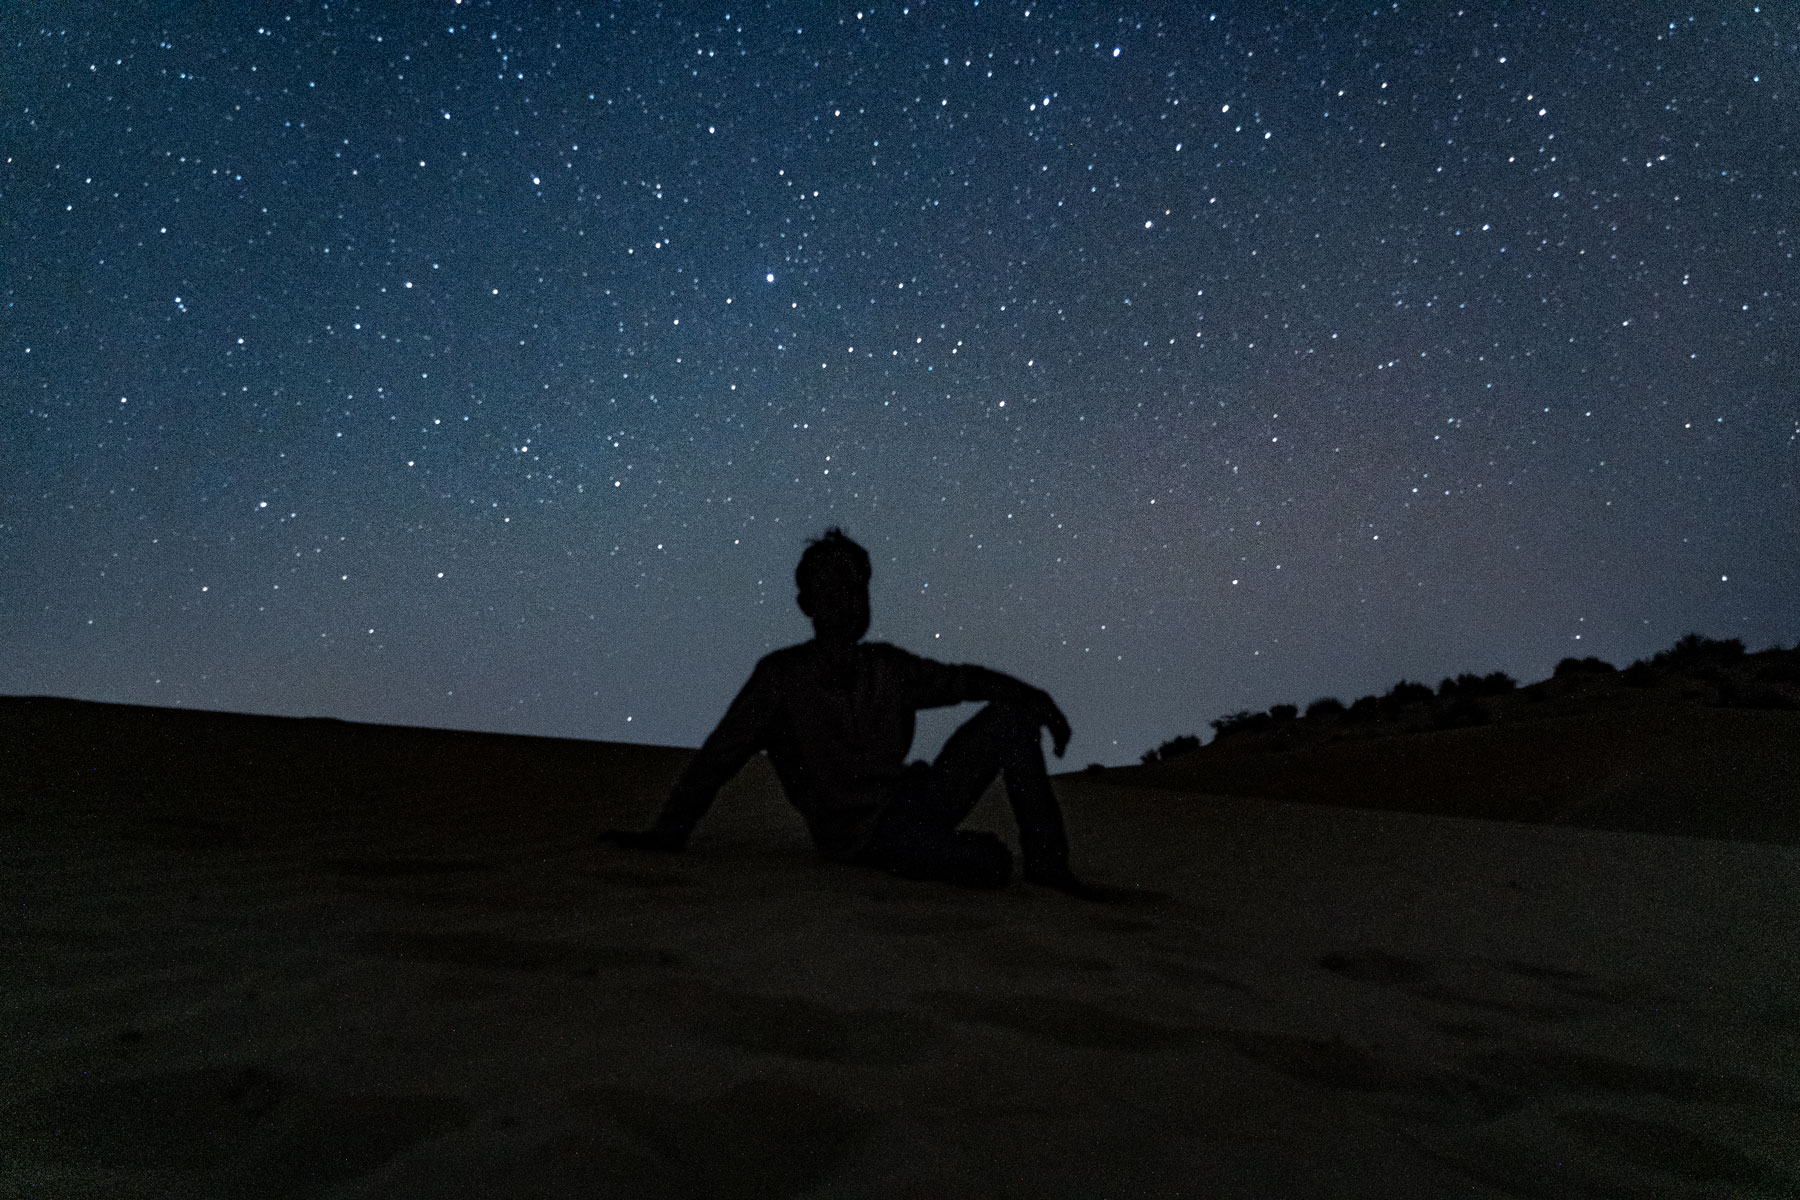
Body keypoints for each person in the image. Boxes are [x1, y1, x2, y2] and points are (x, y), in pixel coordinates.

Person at [602, 528, 1104, 896]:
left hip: (915, 802)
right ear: (807, 603)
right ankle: (962, 852)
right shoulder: (781, 678)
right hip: (863, 839)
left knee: (1010, 719)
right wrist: (667, 834)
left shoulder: (889, 667)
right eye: (833, 589)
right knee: (986, 865)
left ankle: (1047, 865)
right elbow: (719, 758)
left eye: (857, 588)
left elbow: (963, 679)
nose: (849, 601)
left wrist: (1037, 699)